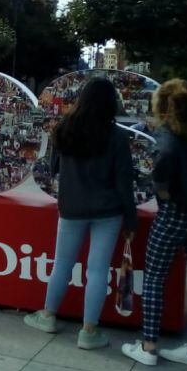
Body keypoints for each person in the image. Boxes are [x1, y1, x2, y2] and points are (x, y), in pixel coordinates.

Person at [24, 78, 136, 349]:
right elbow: (124, 181)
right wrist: (130, 220)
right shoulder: (118, 137)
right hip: (108, 210)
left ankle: (48, 315)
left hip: (72, 207)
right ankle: (88, 331)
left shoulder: (64, 130)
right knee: (97, 270)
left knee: (62, 263)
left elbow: (53, 169)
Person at [123, 79, 187, 369]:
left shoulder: (168, 135)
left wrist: (163, 194)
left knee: (155, 279)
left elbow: (163, 165)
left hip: (174, 215)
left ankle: (148, 346)